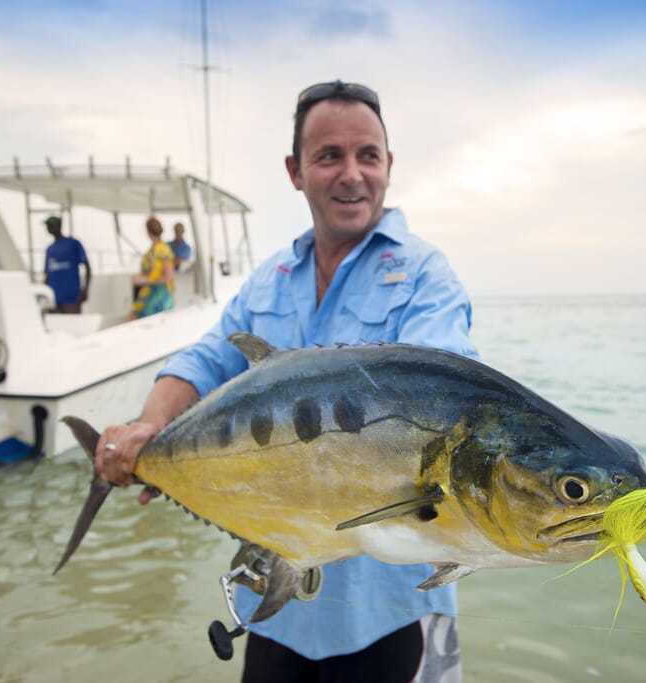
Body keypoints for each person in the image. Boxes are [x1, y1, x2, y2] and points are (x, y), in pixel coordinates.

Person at [97, 80, 476, 682]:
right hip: (277, 606)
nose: (352, 174)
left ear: (388, 165)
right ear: (295, 171)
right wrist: (148, 429)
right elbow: (205, 360)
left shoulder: (425, 276)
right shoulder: (269, 278)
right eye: (329, 156)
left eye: (368, 155)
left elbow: (441, 396)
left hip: (390, 612)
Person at [43, 215, 91, 314]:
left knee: (73, 322)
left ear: (59, 226)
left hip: (71, 298)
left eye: (50, 225)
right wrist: (44, 295)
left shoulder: (73, 244)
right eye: (47, 225)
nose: (48, 228)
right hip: (54, 299)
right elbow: (47, 276)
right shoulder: (49, 249)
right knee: (54, 323)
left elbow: (87, 267)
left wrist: (85, 290)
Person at [130, 216, 175, 319]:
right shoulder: (152, 250)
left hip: (159, 297)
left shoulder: (162, 250)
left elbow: (167, 277)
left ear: (148, 231)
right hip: (148, 294)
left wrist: (144, 280)